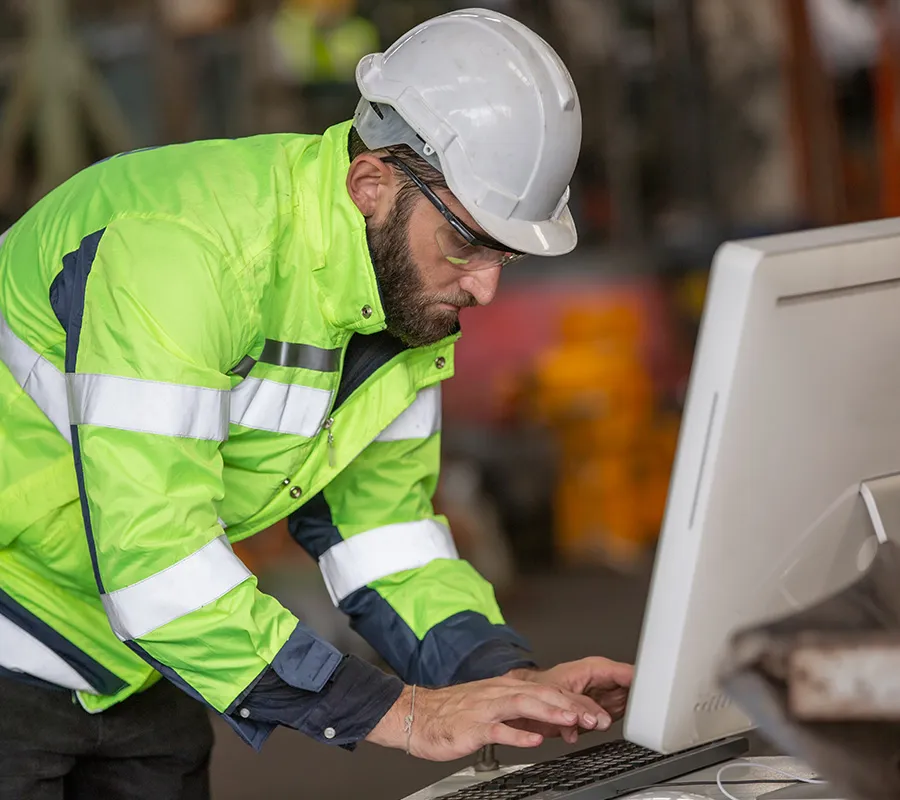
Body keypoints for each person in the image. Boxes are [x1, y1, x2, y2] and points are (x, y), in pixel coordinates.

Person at [0, 7, 633, 800]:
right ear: (372, 183)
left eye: (504, 253)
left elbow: (382, 530)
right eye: (468, 243)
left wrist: (500, 680)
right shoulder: (182, 252)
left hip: (140, 663)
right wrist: (405, 715)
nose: (486, 285)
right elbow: (153, 558)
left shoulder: (402, 303)